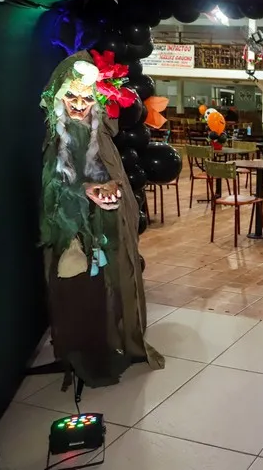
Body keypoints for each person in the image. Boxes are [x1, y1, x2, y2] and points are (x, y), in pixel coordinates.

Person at [39, 51, 164, 388]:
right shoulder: (57, 140)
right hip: (72, 238)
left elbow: (113, 178)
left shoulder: (101, 139)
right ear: (58, 97)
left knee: (103, 292)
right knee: (75, 292)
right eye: (71, 96)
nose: (79, 105)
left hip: (103, 235)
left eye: (86, 98)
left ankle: (104, 348)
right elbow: (54, 191)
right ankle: (81, 356)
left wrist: (110, 189)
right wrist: (84, 193)